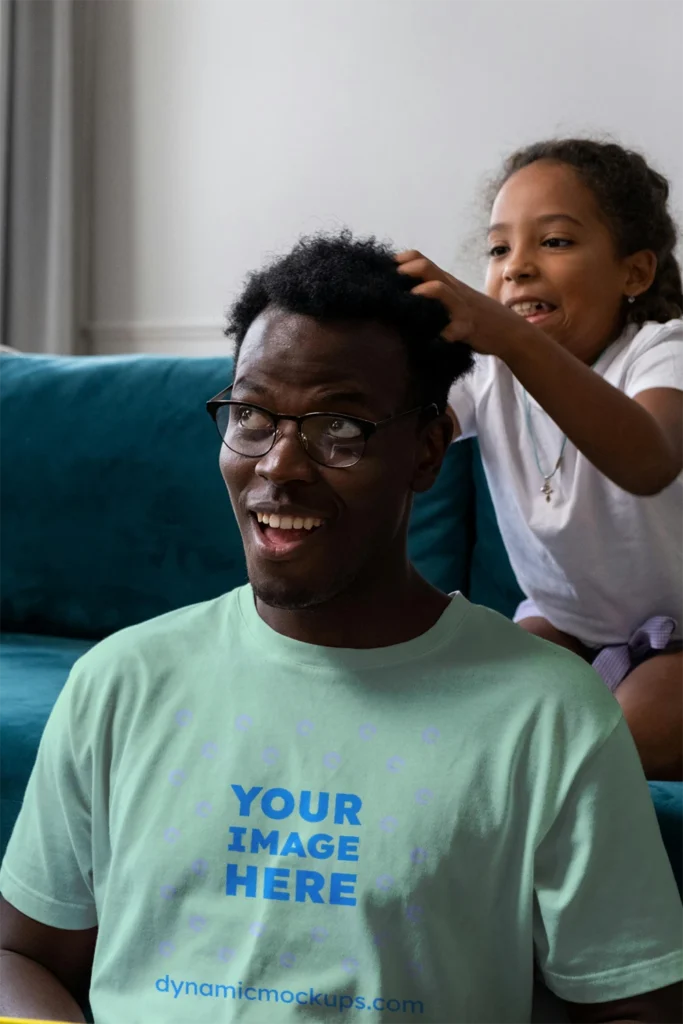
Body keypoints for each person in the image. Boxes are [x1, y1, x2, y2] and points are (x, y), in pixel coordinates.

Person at [1, 232, 682, 1023]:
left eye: (339, 428)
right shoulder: (120, 682)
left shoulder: (548, 714)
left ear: (428, 450)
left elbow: (637, 1009)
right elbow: (20, 954)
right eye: (252, 415)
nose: (279, 464)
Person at [397, 139, 683, 782]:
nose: (516, 266)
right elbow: (411, 431)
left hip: (681, 639)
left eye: (553, 242)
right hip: (567, 624)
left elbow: (650, 460)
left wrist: (508, 336)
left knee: (621, 743)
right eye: (499, 249)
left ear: (634, 274)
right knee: (475, 720)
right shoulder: (487, 370)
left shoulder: (663, 352)